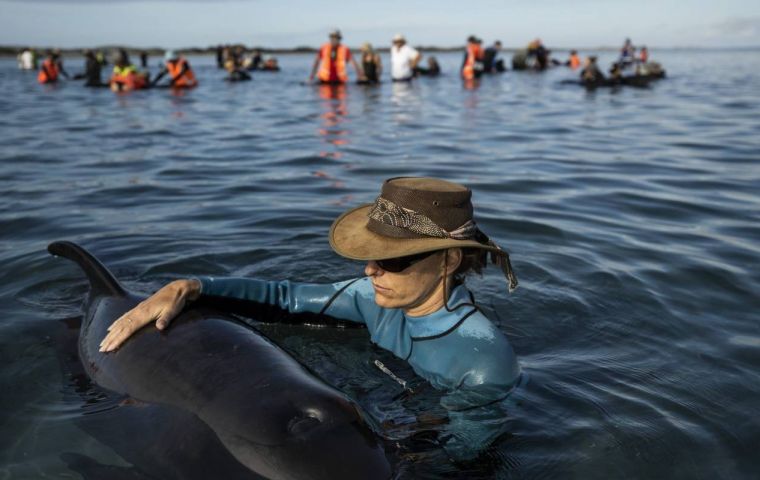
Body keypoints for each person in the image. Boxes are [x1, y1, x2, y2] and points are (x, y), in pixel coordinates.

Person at [99, 177, 522, 461]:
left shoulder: (483, 363)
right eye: (373, 255)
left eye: (396, 260)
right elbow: (283, 298)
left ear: (449, 260)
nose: (370, 271)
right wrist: (190, 287)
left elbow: (460, 458)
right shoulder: (367, 298)